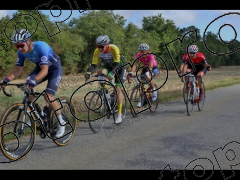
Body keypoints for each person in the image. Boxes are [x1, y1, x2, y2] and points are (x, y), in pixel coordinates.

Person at [0, 29, 65, 138]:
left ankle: (61, 121)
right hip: (40, 69)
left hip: (54, 70)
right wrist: (6, 79)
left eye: (21, 45)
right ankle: (36, 113)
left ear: (28, 41)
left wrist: (34, 80)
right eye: (16, 46)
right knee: (27, 86)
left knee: (48, 97)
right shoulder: (21, 52)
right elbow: (18, 70)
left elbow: (45, 70)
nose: (20, 48)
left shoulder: (41, 47)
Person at [85, 35, 126, 124]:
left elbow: (117, 64)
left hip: (119, 67)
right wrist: (89, 73)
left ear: (107, 45)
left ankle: (119, 114)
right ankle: (106, 93)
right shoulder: (97, 51)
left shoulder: (114, 48)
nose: (100, 49)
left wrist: (112, 73)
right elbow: (93, 65)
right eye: (98, 46)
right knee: (100, 72)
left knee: (118, 89)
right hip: (109, 66)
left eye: (102, 47)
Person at [127, 43, 159, 107]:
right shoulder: (138, 55)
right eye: (141, 51)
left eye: (143, 51)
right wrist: (131, 72)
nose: (142, 53)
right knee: (141, 82)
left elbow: (150, 67)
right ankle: (140, 99)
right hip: (145, 68)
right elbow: (134, 65)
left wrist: (148, 74)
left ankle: (154, 90)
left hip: (153, 68)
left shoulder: (150, 55)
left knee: (149, 77)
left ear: (147, 51)